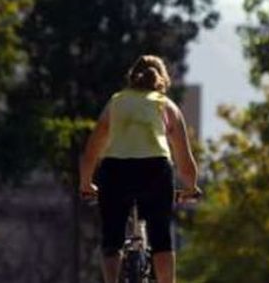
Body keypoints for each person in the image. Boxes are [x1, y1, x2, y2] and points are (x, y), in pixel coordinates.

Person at [79, 55, 201, 283]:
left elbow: (91, 151)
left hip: (115, 170)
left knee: (112, 238)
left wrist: (86, 183)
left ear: (131, 78)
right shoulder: (166, 106)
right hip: (154, 170)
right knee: (161, 237)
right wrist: (191, 187)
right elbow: (185, 160)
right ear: (162, 80)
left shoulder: (115, 102)